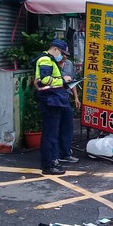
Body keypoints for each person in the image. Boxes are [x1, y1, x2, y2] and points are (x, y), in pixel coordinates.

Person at [34, 39, 75, 175]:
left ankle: (51, 162)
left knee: (51, 134)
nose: (62, 56)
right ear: (56, 49)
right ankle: (48, 165)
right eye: (62, 53)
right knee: (50, 135)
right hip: (50, 100)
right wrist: (64, 80)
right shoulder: (46, 60)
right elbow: (45, 80)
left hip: (53, 100)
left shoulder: (49, 59)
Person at [57, 47, 81, 165]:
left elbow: (73, 82)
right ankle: (56, 154)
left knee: (67, 126)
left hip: (66, 98)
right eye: (63, 54)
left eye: (67, 55)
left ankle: (65, 153)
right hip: (55, 99)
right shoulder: (51, 64)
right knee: (56, 127)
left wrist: (76, 97)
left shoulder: (69, 64)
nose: (65, 57)